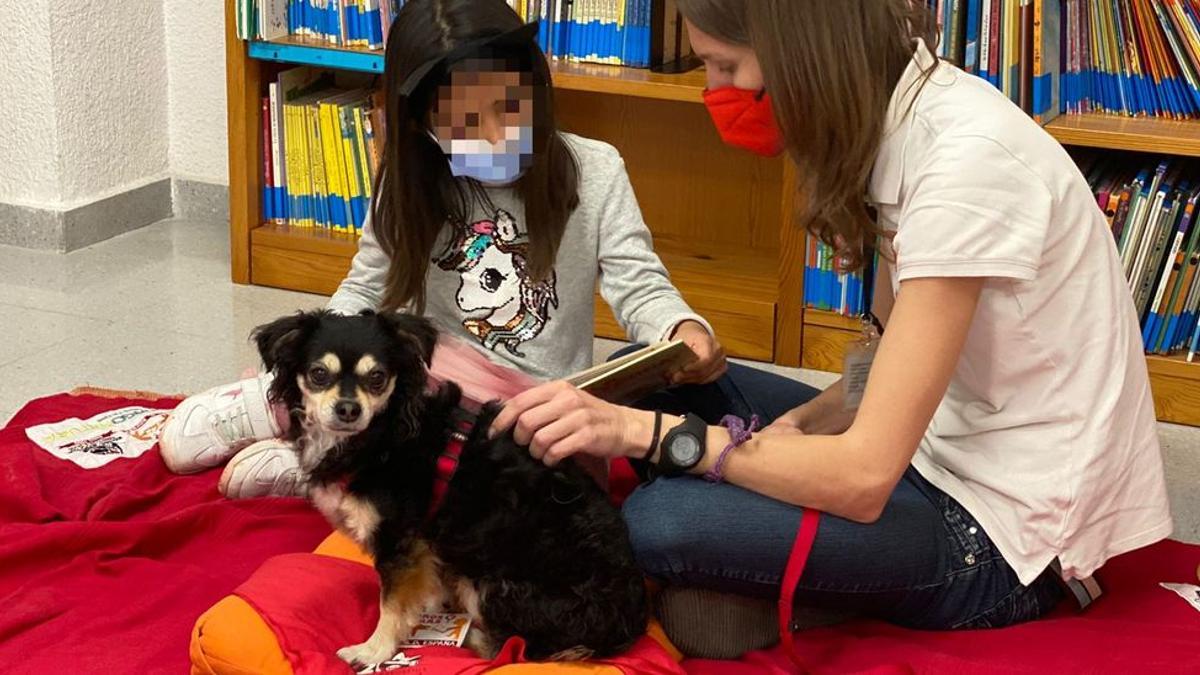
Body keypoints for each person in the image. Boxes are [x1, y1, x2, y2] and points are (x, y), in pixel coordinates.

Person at [492, 0, 1173, 636]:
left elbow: (863, 477)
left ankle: (762, 590)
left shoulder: (966, 167)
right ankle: (763, 582)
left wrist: (666, 440)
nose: (714, 91)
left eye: (726, 67)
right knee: (638, 379)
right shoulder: (899, 121)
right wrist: (794, 431)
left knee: (657, 515)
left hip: (1001, 539)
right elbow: (885, 361)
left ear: (797, 55)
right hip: (931, 445)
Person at [158, 0, 725, 498]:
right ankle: (279, 409)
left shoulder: (595, 169)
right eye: (466, 122)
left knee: (490, 460)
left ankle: (326, 461)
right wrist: (316, 350)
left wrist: (680, 330)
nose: (499, 134)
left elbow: (640, 285)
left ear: (536, 85)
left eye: (511, 107)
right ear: (423, 127)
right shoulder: (410, 181)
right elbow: (365, 288)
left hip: (535, 414)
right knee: (389, 360)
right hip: (426, 385)